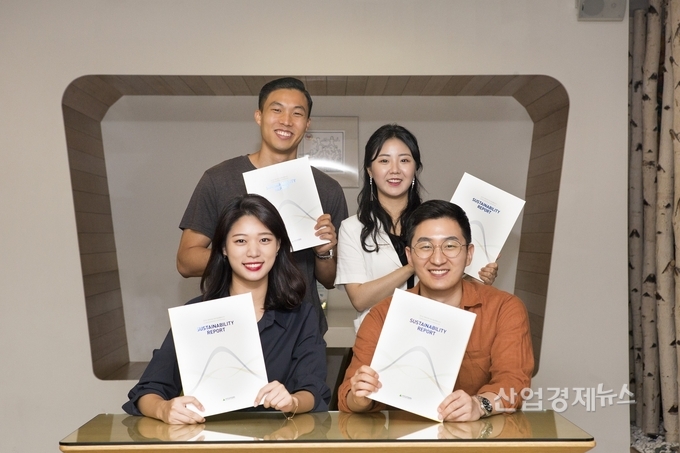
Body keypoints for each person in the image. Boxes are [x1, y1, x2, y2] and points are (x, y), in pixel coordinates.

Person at [124, 195, 331, 424]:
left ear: (278, 245)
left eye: (264, 240)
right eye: (240, 241)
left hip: (280, 438)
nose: (253, 252)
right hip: (206, 437)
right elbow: (147, 391)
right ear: (223, 248)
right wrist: (164, 409)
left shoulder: (301, 316)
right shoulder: (196, 314)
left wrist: (292, 402)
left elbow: (314, 390)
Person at [177, 77, 348, 335]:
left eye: (297, 113)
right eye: (276, 110)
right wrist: (243, 254)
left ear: (307, 124)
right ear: (259, 116)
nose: (286, 121)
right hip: (233, 325)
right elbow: (185, 261)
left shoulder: (327, 189)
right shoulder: (219, 179)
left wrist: (324, 252)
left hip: (300, 330)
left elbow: (332, 279)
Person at [337, 200, 533, 421]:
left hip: (478, 435)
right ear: (410, 256)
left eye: (450, 246)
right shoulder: (383, 314)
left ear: (469, 254)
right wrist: (360, 397)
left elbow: (514, 382)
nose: (438, 259)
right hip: (402, 433)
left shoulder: (504, 309)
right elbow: (347, 396)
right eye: (425, 247)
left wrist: (479, 405)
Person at [335, 124, 498, 330]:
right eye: (384, 161)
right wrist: (414, 264)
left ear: (415, 168)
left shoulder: (436, 224)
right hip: (378, 335)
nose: (395, 169)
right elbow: (359, 299)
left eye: (404, 160)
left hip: (434, 329)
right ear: (370, 170)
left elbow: (451, 286)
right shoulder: (352, 228)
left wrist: (479, 277)